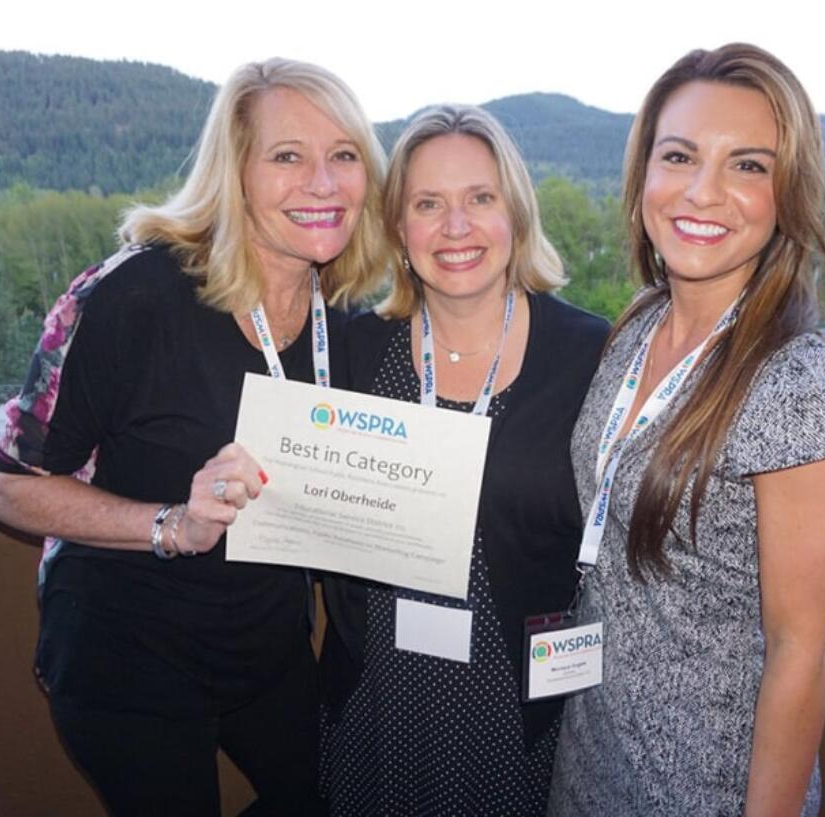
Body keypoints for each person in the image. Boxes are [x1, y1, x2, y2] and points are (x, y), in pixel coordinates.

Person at [0, 58, 388, 816]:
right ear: (233, 173)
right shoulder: (132, 297)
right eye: (287, 156)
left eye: (344, 155)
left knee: (337, 792)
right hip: (127, 654)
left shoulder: (343, 316)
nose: (324, 183)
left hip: (263, 651)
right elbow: (10, 488)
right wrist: (171, 523)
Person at [547, 44, 825, 817]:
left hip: (704, 792)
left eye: (748, 166)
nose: (704, 191)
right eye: (680, 155)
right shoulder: (636, 327)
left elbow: (802, 655)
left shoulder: (800, 388)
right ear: (643, 178)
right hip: (590, 764)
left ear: (786, 193)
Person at [321, 105, 608, 816]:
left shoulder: (589, 355)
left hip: (516, 712)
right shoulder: (355, 350)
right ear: (398, 227)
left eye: (480, 199)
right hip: (377, 699)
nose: (456, 228)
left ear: (515, 211)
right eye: (428, 204)